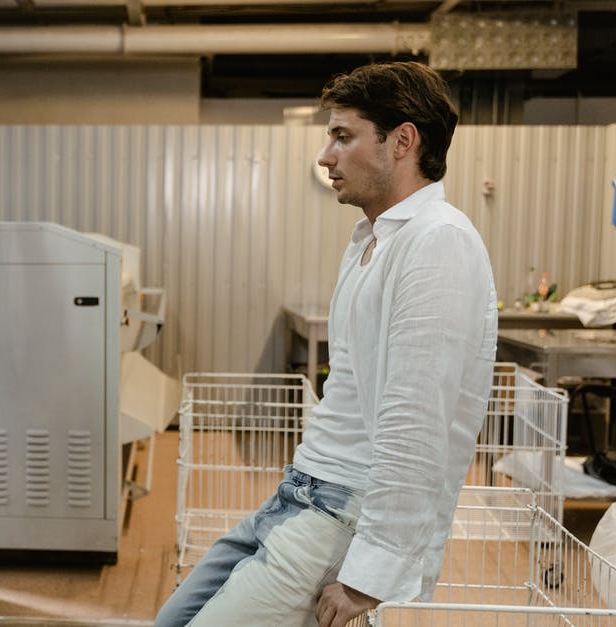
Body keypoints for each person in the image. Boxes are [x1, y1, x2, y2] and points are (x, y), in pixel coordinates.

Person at [155, 61, 498, 627]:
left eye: (343, 136)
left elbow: (416, 420)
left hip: (342, 506)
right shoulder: (372, 238)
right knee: (174, 618)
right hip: (302, 490)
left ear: (402, 141)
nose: (325, 155)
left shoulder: (439, 243)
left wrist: (367, 577)